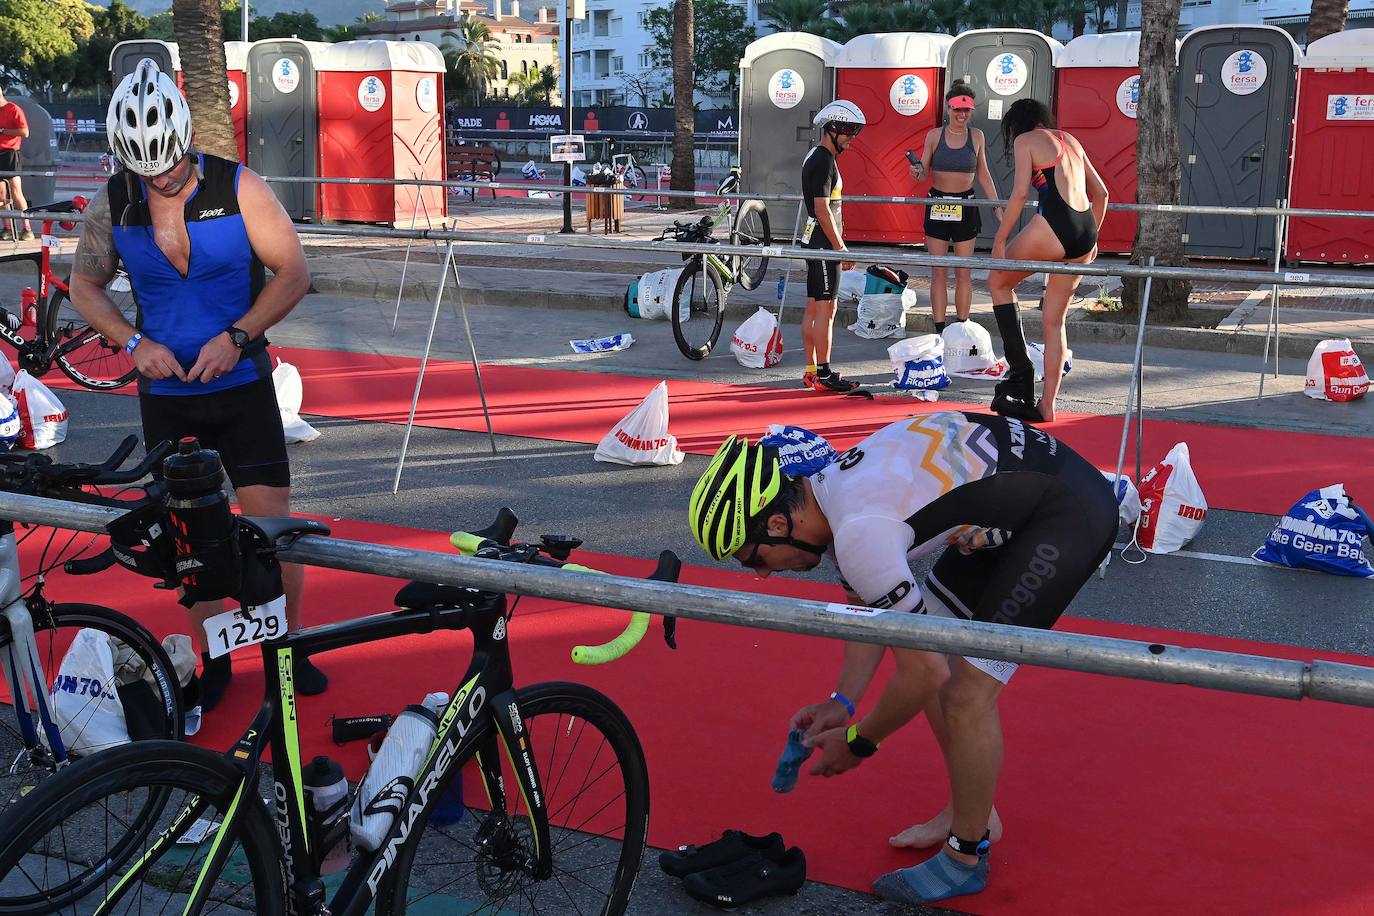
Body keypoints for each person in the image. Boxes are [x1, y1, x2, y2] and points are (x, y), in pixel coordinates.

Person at [687, 413, 1118, 904]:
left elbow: (923, 672)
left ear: (780, 523)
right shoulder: (830, 498)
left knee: (964, 693)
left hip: (1064, 513)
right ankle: (973, 809)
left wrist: (859, 743)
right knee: (926, 642)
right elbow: (871, 618)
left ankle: (967, 855)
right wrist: (842, 702)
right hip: (1013, 506)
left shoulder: (858, 534)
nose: (761, 576)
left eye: (753, 558)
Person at [69, 59, 326, 710]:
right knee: (187, 542)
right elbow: (85, 287)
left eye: (169, 166)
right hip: (168, 399)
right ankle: (217, 656)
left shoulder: (238, 187)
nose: (160, 178)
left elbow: (293, 271)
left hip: (240, 386)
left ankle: (286, 650)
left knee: (273, 528)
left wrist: (236, 336)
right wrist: (133, 342)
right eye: (145, 169)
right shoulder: (115, 203)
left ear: (185, 142)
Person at [988, 99, 1108, 423]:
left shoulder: (1025, 141)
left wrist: (999, 240)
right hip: (1085, 229)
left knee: (998, 282)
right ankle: (1048, 405)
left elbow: (1019, 195)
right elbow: (1103, 194)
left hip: (1055, 224)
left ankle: (1020, 372)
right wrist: (1093, 239)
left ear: (1017, 125)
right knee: (1054, 322)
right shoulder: (1071, 140)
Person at [908, 83, 1001, 334]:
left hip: (966, 205)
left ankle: (961, 327)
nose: (962, 115)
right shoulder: (934, 135)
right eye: (957, 110)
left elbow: (984, 175)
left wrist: (997, 207)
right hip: (937, 203)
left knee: (963, 271)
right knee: (939, 271)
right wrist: (916, 171)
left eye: (966, 110)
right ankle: (939, 330)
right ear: (949, 108)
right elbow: (922, 172)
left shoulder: (977, 136)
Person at [799, 100, 865, 394]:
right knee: (827, 308)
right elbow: (823, 209)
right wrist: (841, 248)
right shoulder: (824, 160)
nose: (852, 138)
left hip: (815, 241)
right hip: (825, 245)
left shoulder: (815, 155)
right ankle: (824, 373)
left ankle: (812, 370)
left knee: (814, 306)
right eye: (849, 131)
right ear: (833, 129)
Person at [0, 87, 34, 242]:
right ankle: (7, 227)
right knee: (1, 195)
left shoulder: (13, 109)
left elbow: (24, 132)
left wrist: (3, 130)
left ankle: (27, 228)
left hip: (10, 154)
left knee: (15, 191)